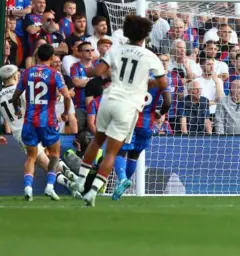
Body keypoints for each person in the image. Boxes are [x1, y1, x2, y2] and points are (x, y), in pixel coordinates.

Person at [73, 15, 167, 207]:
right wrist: (161, 109)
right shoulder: (151, 57)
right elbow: (163, 88)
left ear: (126, 32)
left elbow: (96, 73)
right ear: (145, 35)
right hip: (128, 107)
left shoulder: (116, 49)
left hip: (108, 100)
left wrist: (86, 68)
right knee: (111, 153)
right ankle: (91, 193)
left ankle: (80, 181)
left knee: (97, 142)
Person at [0, 64, 80, 199]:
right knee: (49, 160)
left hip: (20, 133)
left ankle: (70, 181)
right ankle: (71, 180)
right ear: (15, 76)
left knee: (45, 161)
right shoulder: (24, 92)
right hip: (33, 126)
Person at [111, 73, 171, 200]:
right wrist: (160, 113)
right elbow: (168, 102)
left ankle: (122, 179)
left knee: (120, 151)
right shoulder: (162, 79)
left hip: (130, 120)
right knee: (134, 155)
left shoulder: (133, 74)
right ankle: (120, 188)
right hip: (147, 123)